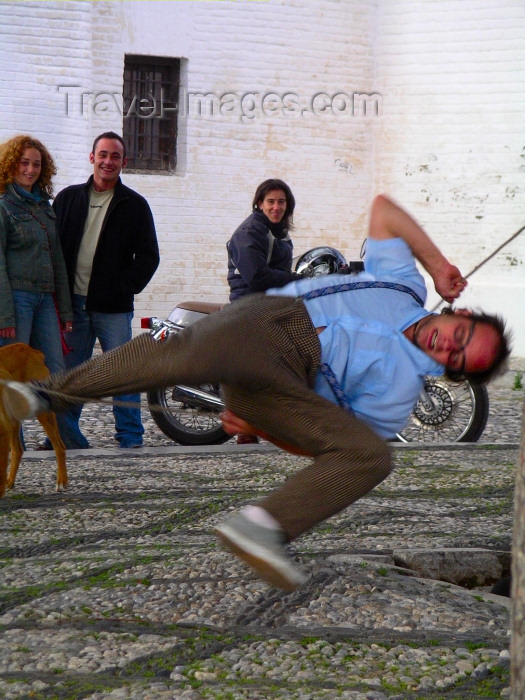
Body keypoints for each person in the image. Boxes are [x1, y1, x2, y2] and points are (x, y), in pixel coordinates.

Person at [2, 194, 510, 591]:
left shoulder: (400, 394)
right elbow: (384, 209)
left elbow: (327, 444)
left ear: (452, 372)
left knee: (373, 456)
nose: (450, 346)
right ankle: (47, 395)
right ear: (458, 315)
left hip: (283, 392)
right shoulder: (403, 284)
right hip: (273, 323)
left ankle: (263, 527)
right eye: (461, 336)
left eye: (459, 359)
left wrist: (263, 425)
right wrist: (439, 263)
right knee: (176, 354)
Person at [41, 131, 159, 450]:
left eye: (115, 156)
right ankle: (66, 438)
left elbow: (149, 256)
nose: (108, 161)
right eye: (103, 154)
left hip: (114, 309)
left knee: (124, 374)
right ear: (92, 157)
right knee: (71, 375)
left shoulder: (134, 205)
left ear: (124, 162)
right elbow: (51, 249)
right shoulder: (67, 198)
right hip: (72, 306)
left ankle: (130, 439)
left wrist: (123, 287)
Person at [0, 134, 80, 448]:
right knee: (12, 378)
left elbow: (57, 259)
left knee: (55, 373)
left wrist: (67, 309)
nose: (30, 170)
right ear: (10, 165)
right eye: (24, 163)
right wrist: (5, 312)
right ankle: (11, 447)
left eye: (36, 164)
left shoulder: (45, 207)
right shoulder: (4, 206)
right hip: (16, 299)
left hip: (46, 299)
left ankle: (61, 440)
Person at [227, 178, 303, 443]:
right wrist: (297, 280)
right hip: (250, 301)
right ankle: (246, 431)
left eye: (281, 202)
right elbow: (257, 276)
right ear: (259, 203)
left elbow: (280, 272)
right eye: (270, 201)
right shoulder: (250, 231)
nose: (276, 207)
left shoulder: (278, 231)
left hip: (271, 300)